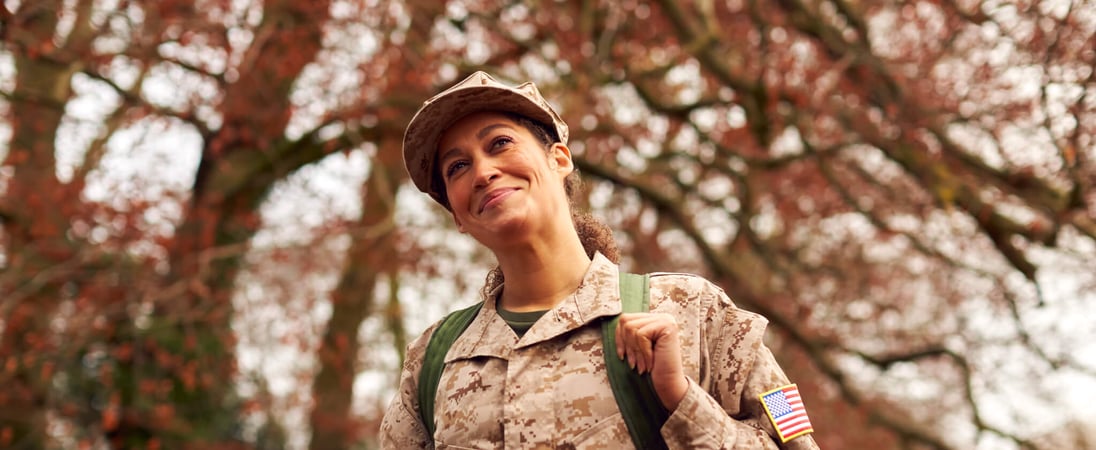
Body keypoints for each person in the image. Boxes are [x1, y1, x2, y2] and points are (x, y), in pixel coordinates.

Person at [380, 71, 819, 449]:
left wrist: (682, 401)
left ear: (559, 158)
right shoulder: (431, 361)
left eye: (499, 143)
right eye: (457, 167)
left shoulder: (699, 312)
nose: (482, 171)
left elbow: (798, 440)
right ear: (456, 216)